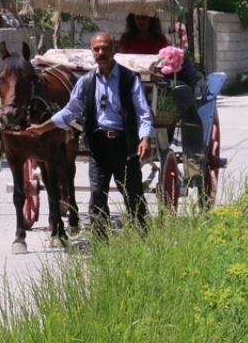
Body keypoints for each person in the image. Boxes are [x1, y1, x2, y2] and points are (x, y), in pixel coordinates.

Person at [26, 32, 153, 233]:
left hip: (125, 146)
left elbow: (143, 112)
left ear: (114, 50)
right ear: (92, 52)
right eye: (96, 49)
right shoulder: (86, 82)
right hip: (99, 147)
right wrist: (42, 128)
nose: (100, 52)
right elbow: (69, 112)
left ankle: (143, 239)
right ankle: (101, 243)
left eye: (105, 48)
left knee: (133, 196)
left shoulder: (129, 80)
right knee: (97, 198)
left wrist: (145, 138)